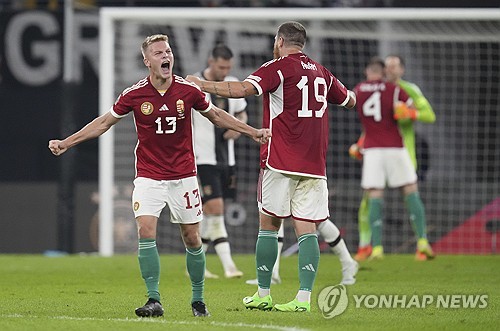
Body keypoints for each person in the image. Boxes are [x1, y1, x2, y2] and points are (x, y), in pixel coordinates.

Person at [48, 34, 270, 318]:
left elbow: (215, 115)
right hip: (149, 176)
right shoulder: (134, 94)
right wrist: (67, 142)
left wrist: (252, 133)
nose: (166, 56)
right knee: (145, 231)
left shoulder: (187, 90)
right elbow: (104, 122)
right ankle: (154, 299)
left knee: (192, 238)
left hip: (184, 175)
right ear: (147, 61)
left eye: (168, 51)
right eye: (158, 52)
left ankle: (198, 300)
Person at [187, 21, 356, 312]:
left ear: (280, 41)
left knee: (269, 225)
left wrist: (202, 85)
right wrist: (348, 96)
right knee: (307, 230)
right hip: (315, 163)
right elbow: (350, 100)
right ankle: (303, 300)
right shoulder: (322, 73)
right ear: (302, 43)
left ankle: (264, 293)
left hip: (279, 159)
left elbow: (241, 89)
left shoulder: (276, 68)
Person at [352, 55, 436, 261]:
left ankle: (418, 244)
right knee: (374, 199)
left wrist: (410, 113)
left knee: (376, 195)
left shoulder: (407, 89)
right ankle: (367, 246)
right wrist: (360, 143)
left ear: (402, 70)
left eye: (394, 66)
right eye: (387, 67)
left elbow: (429, 115)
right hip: (391, 149)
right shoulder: (393, 90)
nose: (390, 70)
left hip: (400, 151)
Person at [192, 44, 246, 279]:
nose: (224, 71)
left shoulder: (232, 83)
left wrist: (239, 127)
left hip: (227, 159)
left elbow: (242, 112)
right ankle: (229, 266)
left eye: (228, 67)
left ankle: (195, 265)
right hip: (203, 158)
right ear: (210, 61)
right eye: (221, 66)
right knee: (216, 208)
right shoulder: (194, 85)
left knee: (210, 212)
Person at [245, 219, 359, 286]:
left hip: (308, 179)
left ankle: (348, 263)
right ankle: (273, 273)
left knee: (316, 218)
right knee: (275, 214)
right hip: (283, 178)